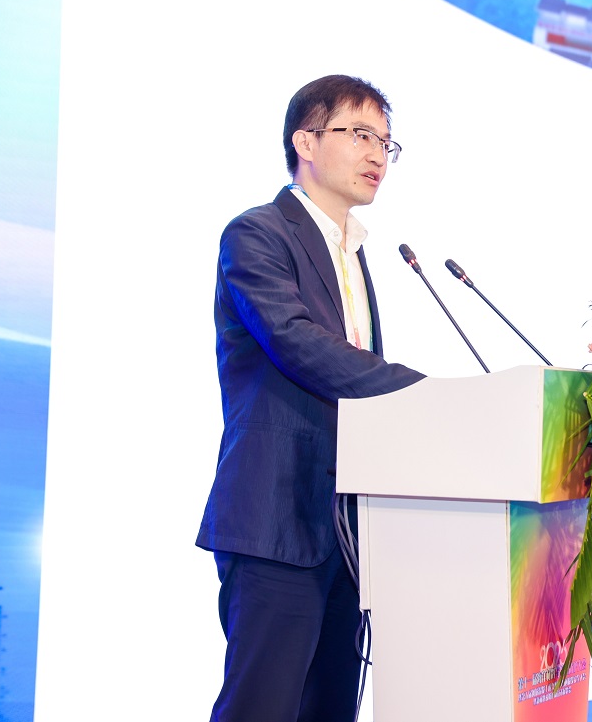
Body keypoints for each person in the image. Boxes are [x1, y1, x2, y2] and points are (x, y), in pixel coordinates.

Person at [196, 75, 425, 722]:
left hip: (348, 534)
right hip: (277, 518)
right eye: (361, 134)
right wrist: (424, 393)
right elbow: (295, 342)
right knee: (261, 708)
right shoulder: (258, 234)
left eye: (386, 142)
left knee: (330, 710)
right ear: (305, 141)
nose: (377, 154)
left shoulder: (357, 255)